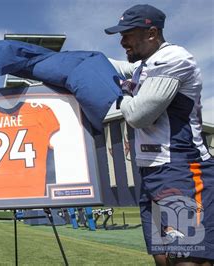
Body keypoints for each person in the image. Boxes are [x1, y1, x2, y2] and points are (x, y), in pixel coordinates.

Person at [105, 4, 213, 265]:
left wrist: (122, 99)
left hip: (181, 169)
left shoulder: (174, 57)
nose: (122, 42)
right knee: (162, 257)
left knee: (189, 257)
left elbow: (138, 116)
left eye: (128, 34)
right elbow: (108, 65)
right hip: (151, 174)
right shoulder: (144, 66)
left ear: (152, 33)